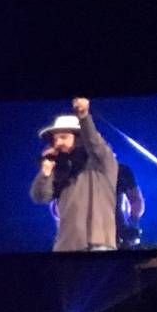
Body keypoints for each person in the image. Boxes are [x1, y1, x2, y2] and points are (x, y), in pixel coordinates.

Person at [29, 98, 119, 252]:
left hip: (99, 244)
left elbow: (94, 143)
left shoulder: (102, 163)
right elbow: (40, 197)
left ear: (79, 139)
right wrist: (45, 172)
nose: (58, 143)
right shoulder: (60, 170)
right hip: (65, 246)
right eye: (55, 139)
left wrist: (83, 116)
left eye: (63, 137)